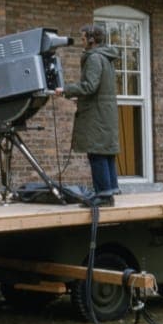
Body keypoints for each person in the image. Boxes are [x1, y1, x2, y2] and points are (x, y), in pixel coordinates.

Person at [55, 24, 120, 206]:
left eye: (83, 38)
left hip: (97, 114)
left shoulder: (94, 58)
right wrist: (81, 98)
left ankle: (103, 195)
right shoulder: (106, 57)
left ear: (91, 40)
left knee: (96, 152)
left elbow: (90, 86)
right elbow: (98, 90)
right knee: (106, 151)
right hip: (103, 111)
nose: (81, 42)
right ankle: (110, 189)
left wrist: (65, 90)